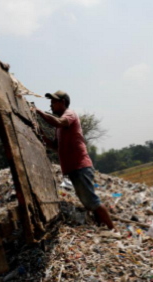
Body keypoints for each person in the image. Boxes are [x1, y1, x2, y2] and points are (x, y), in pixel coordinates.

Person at [33, 91, 115, 230]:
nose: (51, 105)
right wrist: (39, 131)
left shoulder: (69, 115)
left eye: (53, 102)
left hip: (80, 166)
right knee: (88, 202)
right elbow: (54, 146)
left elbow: (59, 122)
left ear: (63, 102)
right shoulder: (59, 128)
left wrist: (39, 112)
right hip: (74, 168)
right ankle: (103, 228)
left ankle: (113, 230)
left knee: (92, 201)